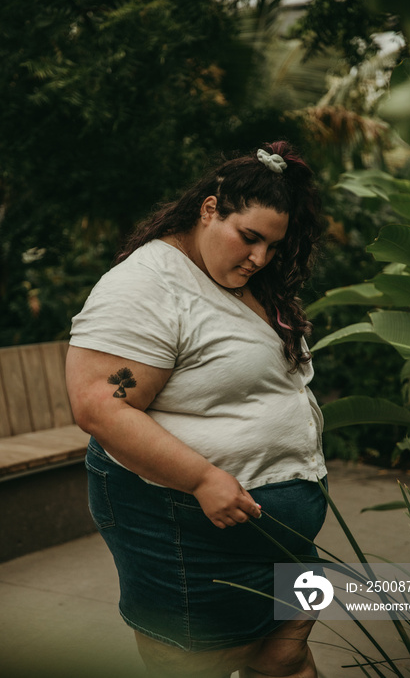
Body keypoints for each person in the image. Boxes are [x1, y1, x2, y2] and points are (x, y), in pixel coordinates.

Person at [66, 141, 328, 678]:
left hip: (269, 535)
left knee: (285, 653)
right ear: (210, 209)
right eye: (248, 237)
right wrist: (204, 478)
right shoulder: (147, 286)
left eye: (272, 247)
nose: (259, 258)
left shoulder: (238, 280)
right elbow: (100, 406)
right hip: (191, 533)